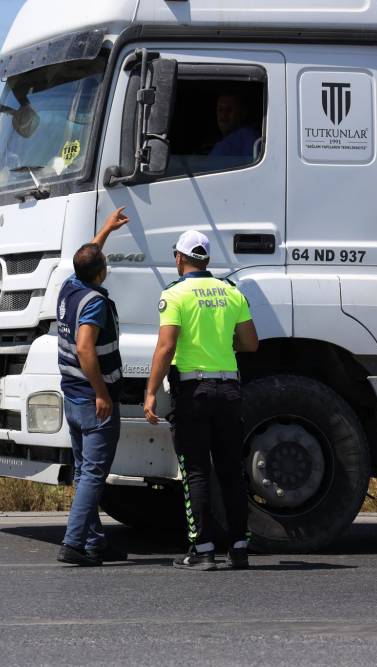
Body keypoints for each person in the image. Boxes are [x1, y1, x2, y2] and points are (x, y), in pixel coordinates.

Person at [144, 230, 259, 571]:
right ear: (206, 260)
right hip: (230, 390)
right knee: (231, 471)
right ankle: (239, 548)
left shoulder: (175, 294)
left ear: (179, 258)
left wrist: (150, 391)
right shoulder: (231, 291)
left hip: (194, 391)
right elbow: (251, 343)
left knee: (196, 471)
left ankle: (204, 549)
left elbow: (166, 347)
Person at [55, 206, 131, 567]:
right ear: (100, 272)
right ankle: (72, 544)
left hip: (72, 396)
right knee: (93, 474)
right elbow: (86, 348)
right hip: (92, 398)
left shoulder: (70, 286)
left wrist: (105, 231)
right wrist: (102, 392)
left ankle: (93, 543)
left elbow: (86, 256)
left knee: (85, 469)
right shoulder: (94, 302)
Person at [208, 91, 260, 163]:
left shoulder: (248, 137)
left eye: (229, 110)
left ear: (242, 113)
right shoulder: (220, 140)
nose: (223, 115)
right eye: (220, 110)